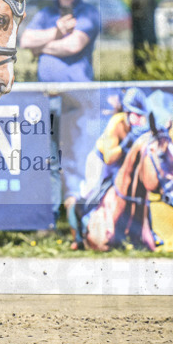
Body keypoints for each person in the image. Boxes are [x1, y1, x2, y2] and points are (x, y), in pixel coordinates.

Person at [67, 87, 150, 248]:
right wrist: (128, 142)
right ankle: (77, 234)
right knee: (92, 193)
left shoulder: (140, 125)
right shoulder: (116, 124)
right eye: (136, 115)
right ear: (127, 113)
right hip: (100, 162)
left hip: (121, 163)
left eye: (142, 115)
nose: (140, 120)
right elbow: (109, 158)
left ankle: (145, 235)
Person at [19, 0, 101, 82]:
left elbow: (72, 46)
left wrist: (38, 48)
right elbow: (25, 41)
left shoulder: (89, 12)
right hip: (46, 94)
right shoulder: (45, 13)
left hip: (79, 94)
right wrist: (56, 33)